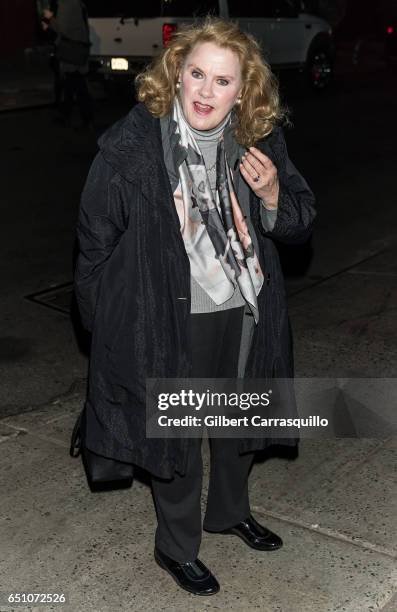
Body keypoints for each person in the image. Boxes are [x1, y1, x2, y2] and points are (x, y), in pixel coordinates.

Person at [74, 17, 316, 596]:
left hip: (244, 308)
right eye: (197, 74)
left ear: (245, 89)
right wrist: (105, 323)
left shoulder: (260, 139)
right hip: (167, 314)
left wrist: (274, 196)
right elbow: (94, 241)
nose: (207, 92)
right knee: (178, 438)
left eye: (223, 80)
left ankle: (229, 513)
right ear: (176, 74)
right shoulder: (131, 149)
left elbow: (301, 220)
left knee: (237, 423)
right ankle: (176, 547)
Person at [41, 0, 93, 128]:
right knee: (70, 84)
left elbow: (64, 29)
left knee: (78, 85)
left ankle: (86, 120)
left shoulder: (67, 4)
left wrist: (50, 19)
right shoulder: (76, 3)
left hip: (72, 51)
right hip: (76, 48)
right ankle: (66, 115)